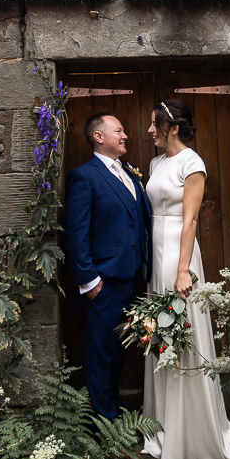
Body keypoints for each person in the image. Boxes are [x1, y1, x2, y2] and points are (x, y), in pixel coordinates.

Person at [141, 99, 230, 459]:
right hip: (156, 254)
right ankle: (165, 429)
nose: (149, 131)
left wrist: (182, 271)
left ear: (172, 127)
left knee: (184, 333)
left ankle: (195, 436)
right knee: (162, 336)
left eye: (154, 124)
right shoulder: (155, 164)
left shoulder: (192, 163)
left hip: (180, 254)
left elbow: (190, 220)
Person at [63, 112, 152, 420]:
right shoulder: (83, 176)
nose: (125, 135)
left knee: (119, 355)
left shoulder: (128, 173)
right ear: (99, 137)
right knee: (100, 356)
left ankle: (113, 418)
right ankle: (105, 431)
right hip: (103, 285)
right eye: (119, 130)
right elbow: (76, 233)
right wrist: (91, 282)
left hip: (132, 280)